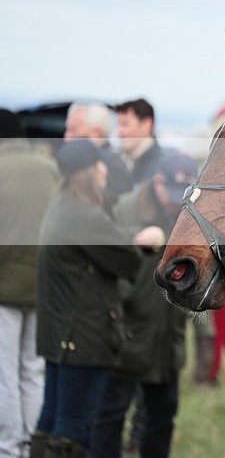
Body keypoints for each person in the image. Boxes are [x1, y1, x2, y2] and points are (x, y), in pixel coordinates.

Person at [33, 140, 143, 457]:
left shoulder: (60, 206)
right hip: (83, 337)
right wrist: (144, 243)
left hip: (60, 336)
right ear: (88, 171)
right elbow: (128, 259)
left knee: (51, 418)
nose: (104, 169)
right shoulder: (84, 217)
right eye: (100, 164)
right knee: (75, 429)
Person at [91, 151, 197, 458]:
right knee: (110, 416)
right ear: (158, 181)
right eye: (172, 193)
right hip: (126, 332)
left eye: (184, 194)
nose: (175, 202)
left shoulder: (188, 215)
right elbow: (105, 258)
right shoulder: (127, 209)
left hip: (167, 336)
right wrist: (135, 242)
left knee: (161, 420)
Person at [0, 109, 59, 458]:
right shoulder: (49, 168)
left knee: (5, 374)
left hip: (4, 288)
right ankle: (32, 445)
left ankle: (8, 449)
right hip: (44, 286)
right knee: (33, 372)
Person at [64, 102, 132, 201]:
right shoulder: (81, 163)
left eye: (73, 130)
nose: (66, 137)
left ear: (96, 134)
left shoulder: (112, 168)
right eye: (67, 129)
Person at [115, 99, 162, 187]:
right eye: (118, 124)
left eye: (125, 124)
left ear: (147, 124)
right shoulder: (116, 160)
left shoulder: (160, 169)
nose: (119, 131)